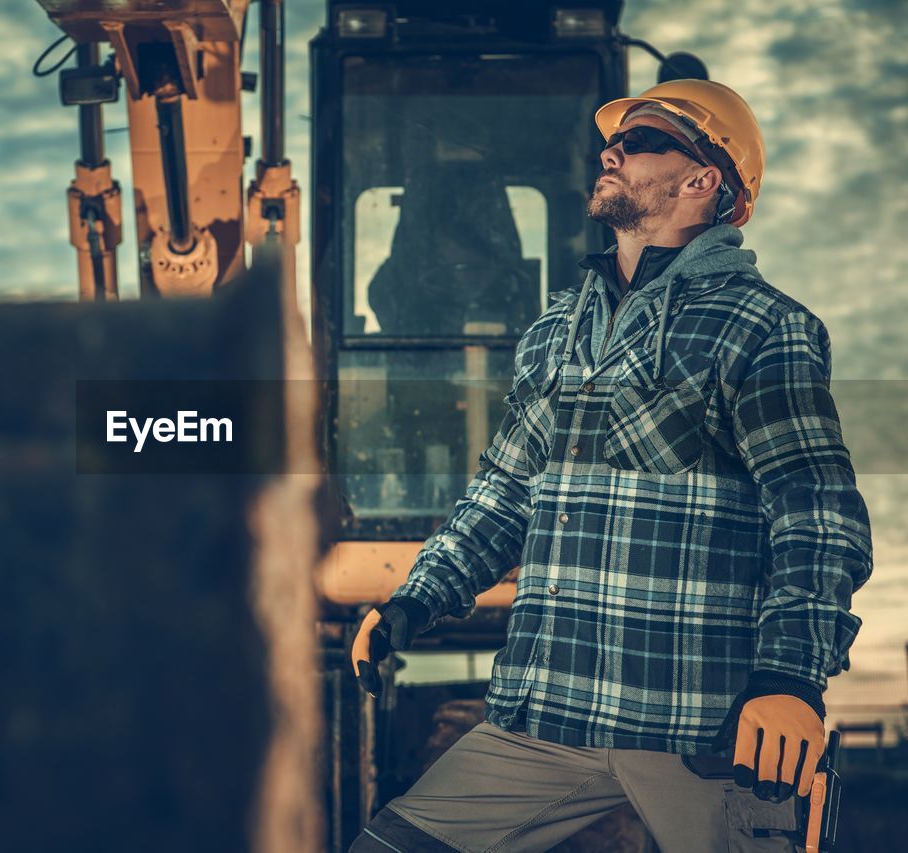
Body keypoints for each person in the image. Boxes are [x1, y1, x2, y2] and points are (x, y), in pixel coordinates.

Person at [348, 79, 873, 852]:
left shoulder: (763, 328)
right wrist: (414, 601)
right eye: (617, 140)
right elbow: (503, 495)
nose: (613, 150)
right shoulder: (557, 331)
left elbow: (816, 515)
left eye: (646, 140)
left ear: (704, 181)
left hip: (694, 731)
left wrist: (790, 676)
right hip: (546, 716)